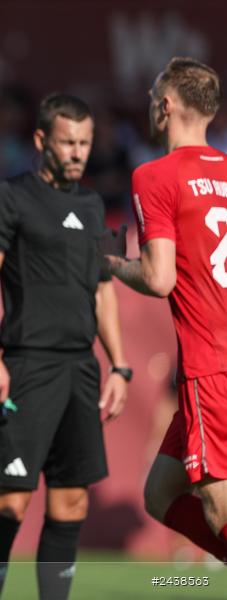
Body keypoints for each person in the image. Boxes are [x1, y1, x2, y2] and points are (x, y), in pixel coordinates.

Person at [0, 93, 130, 600]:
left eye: (85, 142)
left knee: (71, 504)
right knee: (10, 502)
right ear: (42, 141)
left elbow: (103, 289)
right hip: (27, 367)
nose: (78, 152)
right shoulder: (10, 198)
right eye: (68, 142)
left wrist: (120, 367)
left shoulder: (94, 203)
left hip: (81, 370)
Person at [107, 57, 227, 563]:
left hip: (211, 363)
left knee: (218, 509)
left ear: (167, 105)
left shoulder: (155, 175)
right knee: (160, 493)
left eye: (153, 94)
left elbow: (159, 278)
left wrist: (109, 260)